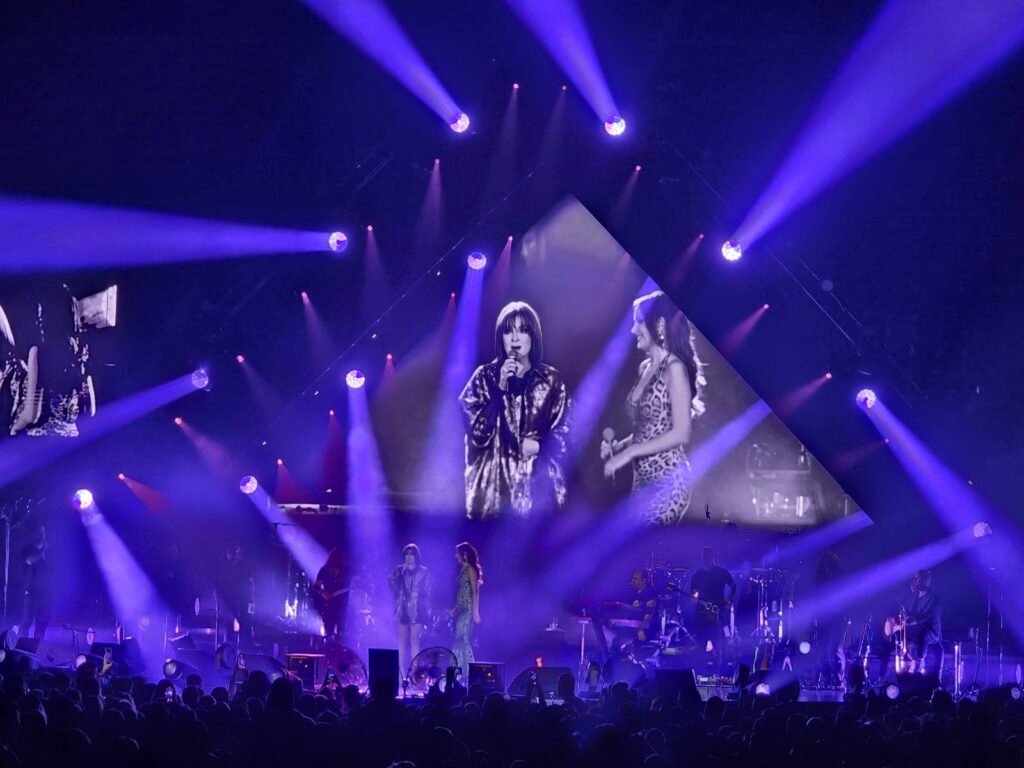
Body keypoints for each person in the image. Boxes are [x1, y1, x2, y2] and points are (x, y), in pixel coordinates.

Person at [460, 301, 570, 519]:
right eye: (508, 331)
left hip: (538, 497)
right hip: (493, 497)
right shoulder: (484, 377)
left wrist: (539, 446)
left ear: (533, 335)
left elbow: (569, 432)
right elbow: (477, 434)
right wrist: (500, 388)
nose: (515, 338)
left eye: (523, 330)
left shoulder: (550, 380)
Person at [602, 290, 704, 524]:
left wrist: (630, 452)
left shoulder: (674, 368)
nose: (633, 330)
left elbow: (681, 433)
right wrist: (619, 447)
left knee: (645, 545)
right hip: (642, 482)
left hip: (667, 482)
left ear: (658, 325)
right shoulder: (645, 368)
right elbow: (649, 429)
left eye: (638, 322)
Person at [388, 543, 432, 678]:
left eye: (412, 554)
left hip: (417, 608)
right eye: (407, 554)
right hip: (402, 608)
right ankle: (400, 673)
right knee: (401, 640)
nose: (409, 557)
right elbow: (393, 587)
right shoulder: (398, 570)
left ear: (416, 556)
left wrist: (418, 594)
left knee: (414, 640)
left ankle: (414, 673)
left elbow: (429, 590)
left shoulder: (424, 571)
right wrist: (401, 573)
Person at [689, 547, 736, 653]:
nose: (704, 559)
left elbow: (733, 586)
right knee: (700, 646)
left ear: (713, 557)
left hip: (717, 614)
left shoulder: (721, 572)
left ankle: (718, 662)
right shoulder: (697, 575)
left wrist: (728, 601)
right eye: (703, 557)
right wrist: (694, 597)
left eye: (707, 556)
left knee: (718, 645)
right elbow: (693, 593)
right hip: (701, 615)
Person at [450, 542, 482, 671]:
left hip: (467, 609)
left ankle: (468, 670)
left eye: (457, 554)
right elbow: (460, 592)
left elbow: (475, 591)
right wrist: (455, 609)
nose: (455, 556)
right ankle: (459, 669)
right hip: (460, 609)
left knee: (463, 638)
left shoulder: (470, 569)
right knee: (459, 639)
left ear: (463, 554)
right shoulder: (462, 570)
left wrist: (475, 611)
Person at [906, 570, 942, 677]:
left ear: (926, 580)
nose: (914, 581)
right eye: (914, 578)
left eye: (917, 579)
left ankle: (919, 663)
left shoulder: (935, 597)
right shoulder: (914, 596)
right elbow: (907, 611)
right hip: (914, 630)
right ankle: (906, 661)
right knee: (899, 635)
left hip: (930, 630)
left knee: (921, 635)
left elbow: (930, 614)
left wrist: (915, 620)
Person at [219, 544, 256, 649]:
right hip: (232, 599)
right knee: (229, 622)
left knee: (246, 622)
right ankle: (229, 643)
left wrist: (253, 600)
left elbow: (251, 583)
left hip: (245, 599)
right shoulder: (226, 567)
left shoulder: (244, 566)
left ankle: (246, 644)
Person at [313, 549, 351, 642]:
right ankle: (329, 644)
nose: (337, 561)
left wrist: (359, 582)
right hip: (329, 605)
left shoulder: (347, 570)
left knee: (341, 631)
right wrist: (323, 592)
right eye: (335, 559)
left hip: (343, 605)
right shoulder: (324, 570)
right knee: (329, 630)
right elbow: (316, 586)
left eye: (339, 559)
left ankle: (339, 644)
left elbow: (358, 579)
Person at [20, 524, 50, 639]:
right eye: (39, 533)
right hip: (30, 592)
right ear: (34, 534)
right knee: (26, 622)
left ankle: (37, 645)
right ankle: (22, 645)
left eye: (43, 532)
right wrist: (42, 551)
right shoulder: (27, 549)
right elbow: (29, 560)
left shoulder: (49, 552)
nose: (41, 535)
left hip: (45, 593)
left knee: (41, 623)